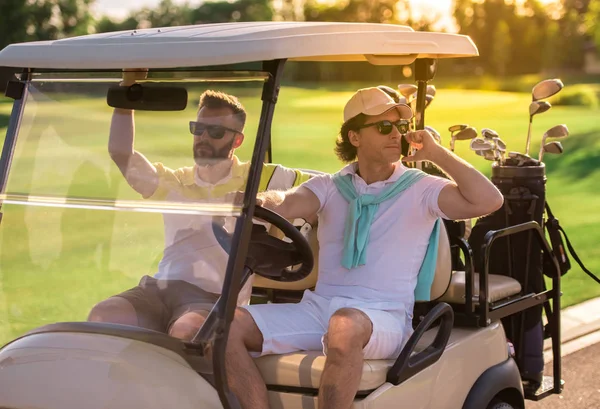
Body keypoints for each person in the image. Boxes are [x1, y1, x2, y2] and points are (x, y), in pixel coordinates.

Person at [225, 87, 504, 409]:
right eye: (384, 127)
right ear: (355, 137)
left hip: (383, 316)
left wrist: (437, 154)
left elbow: (489, 201)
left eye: (399, 128)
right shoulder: (330, 187)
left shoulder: (420, 188)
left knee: (344, 325)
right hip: (318, 310)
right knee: (224, 326)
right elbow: (287, 202)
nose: (395, 135)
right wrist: (259, 201)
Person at [88, 71, 309, 341]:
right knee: (103, 316)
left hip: (216, 296)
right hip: (160, 289)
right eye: (198, 129)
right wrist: (128, 88)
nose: (203, 138)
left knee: (188, 331)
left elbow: (324, 187)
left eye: (215, 132)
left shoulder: (262, 178)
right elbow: (122, 154)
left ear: (236, 140)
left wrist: (265, 199)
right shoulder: (175, 181)